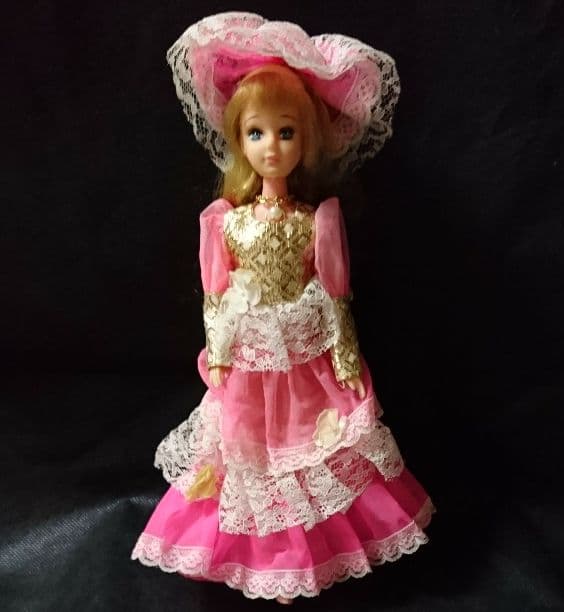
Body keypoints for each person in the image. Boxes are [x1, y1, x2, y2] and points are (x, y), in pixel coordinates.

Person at [131, 12, 434, 604]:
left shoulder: (318, 219)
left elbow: (336, 292)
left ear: (306, 139)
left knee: (311, 451)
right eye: (257, 133)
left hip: (304, 356)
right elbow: (216, 295)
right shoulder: (225, 221)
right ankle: (263, 561)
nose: (271, 147)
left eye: (286, 132)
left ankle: (305, 561)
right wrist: (218, 353)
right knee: (247, 455)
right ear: (239, 139)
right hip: (248, 358)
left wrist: (345, 357)